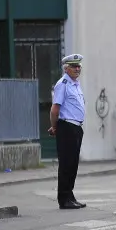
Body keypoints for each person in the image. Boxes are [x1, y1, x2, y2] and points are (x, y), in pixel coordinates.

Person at [49, 53, 87, 210]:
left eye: (79, 66)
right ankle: (64, 199)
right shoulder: (63, 84)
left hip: (76, 127)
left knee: (73, 164)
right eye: (74, 66)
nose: (77, 69)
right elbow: (55, 109)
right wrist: (55, 126)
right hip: (67, 127)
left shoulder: (75, 84)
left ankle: (70, 195)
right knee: (66, 164)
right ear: (66, 68)